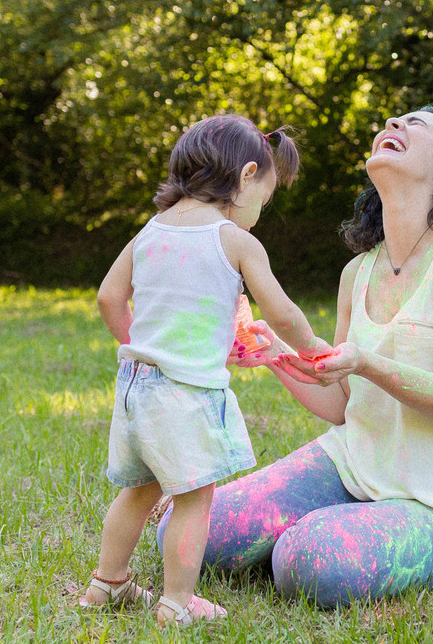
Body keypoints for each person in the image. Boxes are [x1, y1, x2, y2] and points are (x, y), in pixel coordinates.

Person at [159, 103, 433, 607]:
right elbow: (341, 405)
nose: (393, 125)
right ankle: (332, 523)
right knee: (192, 538)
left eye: (414, 124)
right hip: (355, 467)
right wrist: (274, 352)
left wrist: (368, 362)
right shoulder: (359, 272)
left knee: (308, 562)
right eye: (391, 121)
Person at [79, 114, 333, 626]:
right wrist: (311, 347)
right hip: (185, 394)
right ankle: (177, 603)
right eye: (267, 193)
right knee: (194, 498)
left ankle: (106, 585)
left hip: (135, 386)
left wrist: (142, 346)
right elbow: (281, 312)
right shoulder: (234, 241)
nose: (263, 206)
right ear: (245, 176)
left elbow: (109, 297)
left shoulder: (150, 231)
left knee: (140, 489)